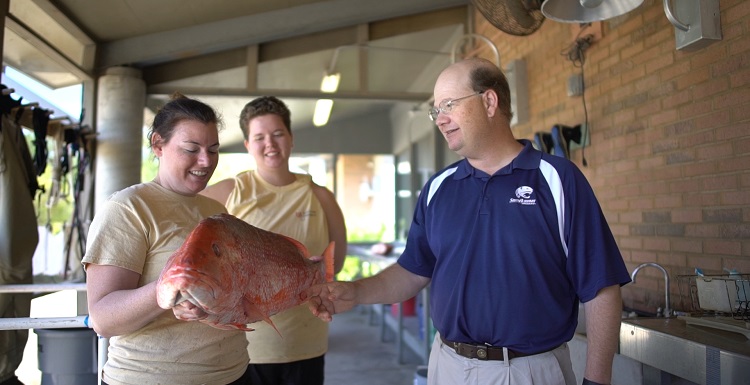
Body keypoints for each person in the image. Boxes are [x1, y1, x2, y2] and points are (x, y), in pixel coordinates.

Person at [305, 58, 631, 385]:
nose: (440, 119)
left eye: (448, 105)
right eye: (436, 110)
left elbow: (601, 287)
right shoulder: (437, 188)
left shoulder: (557, 179)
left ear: (489, 101)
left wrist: (597, 380)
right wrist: (356, 292)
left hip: (527, 371)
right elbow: (413, 271)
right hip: (446, 365)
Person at [82, 94, 252, 385]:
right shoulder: (128, 208)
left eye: (213, 149)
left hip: (232, 373)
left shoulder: (214, 210)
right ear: (158, 145)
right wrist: (170, 287)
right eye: (191, 149)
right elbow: (103, 319)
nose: (205, 160)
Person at [201, 96, 347, 385]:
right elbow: (184, 231)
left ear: (291, 138)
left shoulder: (320, 196)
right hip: (246, 348)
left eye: (278, 134)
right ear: (247, 145)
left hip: (306, 342)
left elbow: (336, 262)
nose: (270, 143)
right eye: (259, 137)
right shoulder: (229, 192)